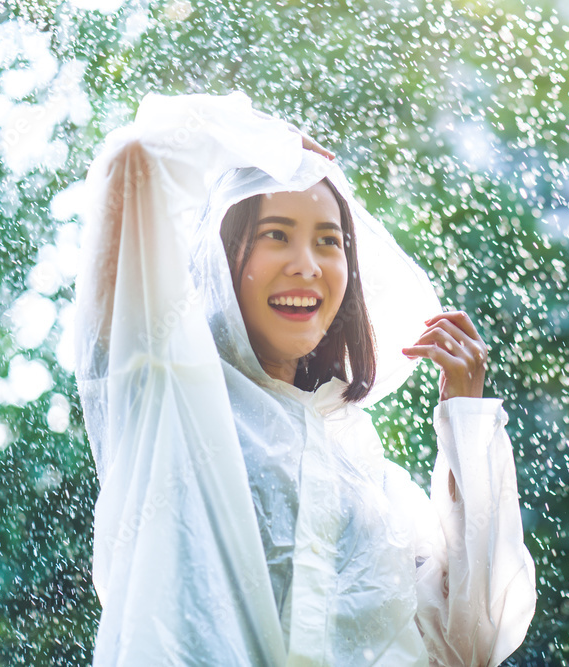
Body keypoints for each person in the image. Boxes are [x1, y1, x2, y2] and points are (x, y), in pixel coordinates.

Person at [74, 91, 536, 666]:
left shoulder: (371, 480)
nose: (307, 264)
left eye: (329, 241)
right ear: (224, 258)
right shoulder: (170, 395)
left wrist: (465, 421)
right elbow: (133, 161)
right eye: (276, 234)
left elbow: (471, 642)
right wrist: (259, 137)